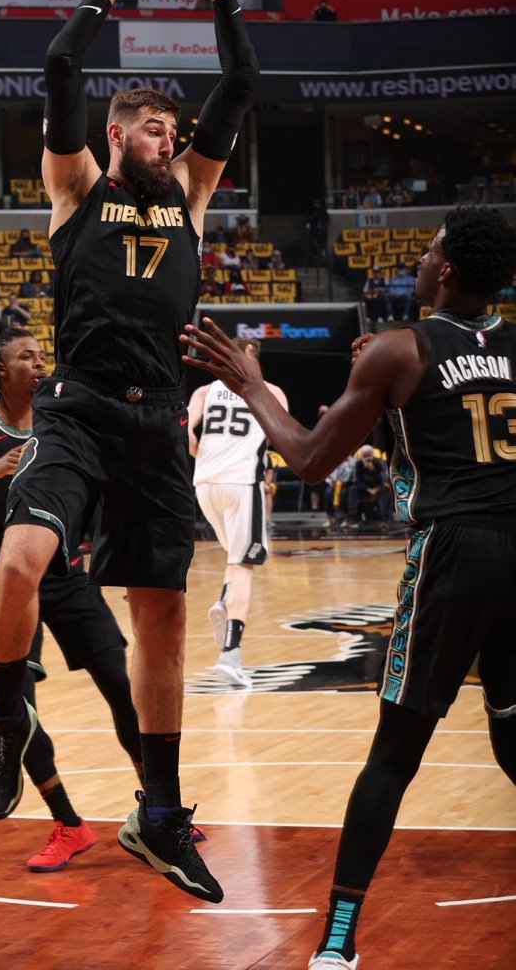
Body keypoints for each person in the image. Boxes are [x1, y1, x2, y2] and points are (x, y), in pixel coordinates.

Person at [0, 0, 258, 905]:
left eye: (175, 128)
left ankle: (160, 815)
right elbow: (58, 63)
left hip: (158, 425)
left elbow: (244, 78)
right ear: (116, 130)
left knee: (164, 622)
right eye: (153, 125)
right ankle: (9, 712)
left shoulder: (189, 198)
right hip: (82, 407)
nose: (170, 137)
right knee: (19, 563)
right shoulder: (76, 191)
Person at [181, 205, 516, 969]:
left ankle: (338, 940)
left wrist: (249, 382)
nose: (421, 264)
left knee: (393, 756)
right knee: (507, 721)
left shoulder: (400, 350)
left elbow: (306, 458)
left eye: (429, 254)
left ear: (447, 273)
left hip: (454, 556)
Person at [0, 317, 147, 871]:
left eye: (43, 355)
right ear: (2, 370)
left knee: (125, 689)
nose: (41, 363)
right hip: (7, 584)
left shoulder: (60, 420)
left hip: (69, 576)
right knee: (21, 709)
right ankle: (68, 825)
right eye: (27, 357)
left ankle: (160, 811)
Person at [187, 338, 289, 685]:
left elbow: (183, 430)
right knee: (245, 565)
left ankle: (223, 598)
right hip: (242, 483)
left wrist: (202, 455)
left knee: (234, 557)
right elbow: (284, 436)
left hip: (205, 483)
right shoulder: (270, 391)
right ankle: (231, 655)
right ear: (254, 362)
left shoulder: (204, 391)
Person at [345, 444, 392, 529]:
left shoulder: (379, 463)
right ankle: (352, 518)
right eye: (365, 456)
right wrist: (368, 489)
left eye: (368, 455)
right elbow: (357, 480)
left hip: (378, 489)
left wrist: (372, 470)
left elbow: (384, 480)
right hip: (364, 490)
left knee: (384, 490)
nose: (367, 458)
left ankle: (384, 519)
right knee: (352, 489)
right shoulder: (359, 464)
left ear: (373, 454)